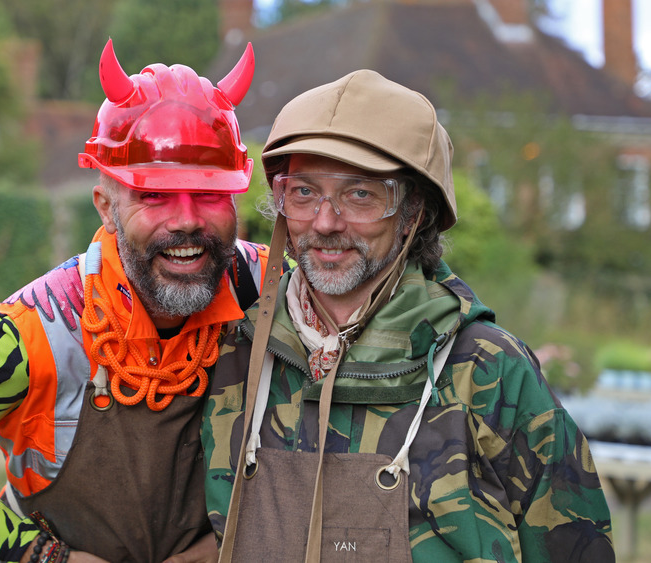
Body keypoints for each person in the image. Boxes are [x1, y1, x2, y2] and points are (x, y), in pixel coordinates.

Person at [0, 39, 273, 563]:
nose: (186, 219)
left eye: (209, 193)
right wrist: (37, 555)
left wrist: (219, 549)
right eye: (154, 194)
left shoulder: (270, 290)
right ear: (106, 206)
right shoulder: (35, 332)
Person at [202, 70, 615, 562]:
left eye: (360, 195)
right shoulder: (234, 353)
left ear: (413, 212)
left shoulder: (487, 372)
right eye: (304, 192)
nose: (326, 222)